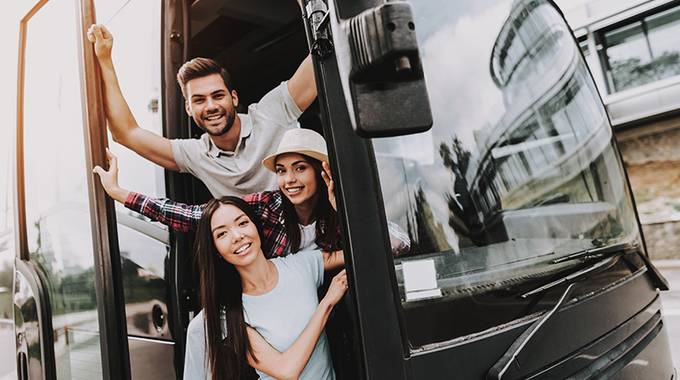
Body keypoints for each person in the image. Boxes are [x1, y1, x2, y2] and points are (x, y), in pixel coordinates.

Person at [94, 128, 411, 256]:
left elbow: (398, 245)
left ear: (321, 171)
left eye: (300, 168)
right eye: (283, 170)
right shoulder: (266, 206)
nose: (289, 179)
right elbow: (193, 216)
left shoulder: (341, 211)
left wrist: (346, 211)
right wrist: (121, 193)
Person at [87, 23, 317, 197]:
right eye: (198, 100)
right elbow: (126, 133)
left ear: (233, 97)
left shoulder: (271, 112)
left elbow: (319, 60)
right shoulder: (195, 154)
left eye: (217, 95)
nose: (211, 107)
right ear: (188, 108)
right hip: (259, 257)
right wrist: (105, 59)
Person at [189, 196, 346, 379]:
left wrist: (340, 207)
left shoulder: (301, 265)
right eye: (222, 234)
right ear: (216, 250)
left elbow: (368, 248)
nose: (237, 236)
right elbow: (286, 370)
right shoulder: (229, 313)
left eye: (242, 223)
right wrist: (327, 303)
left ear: (256, 226)